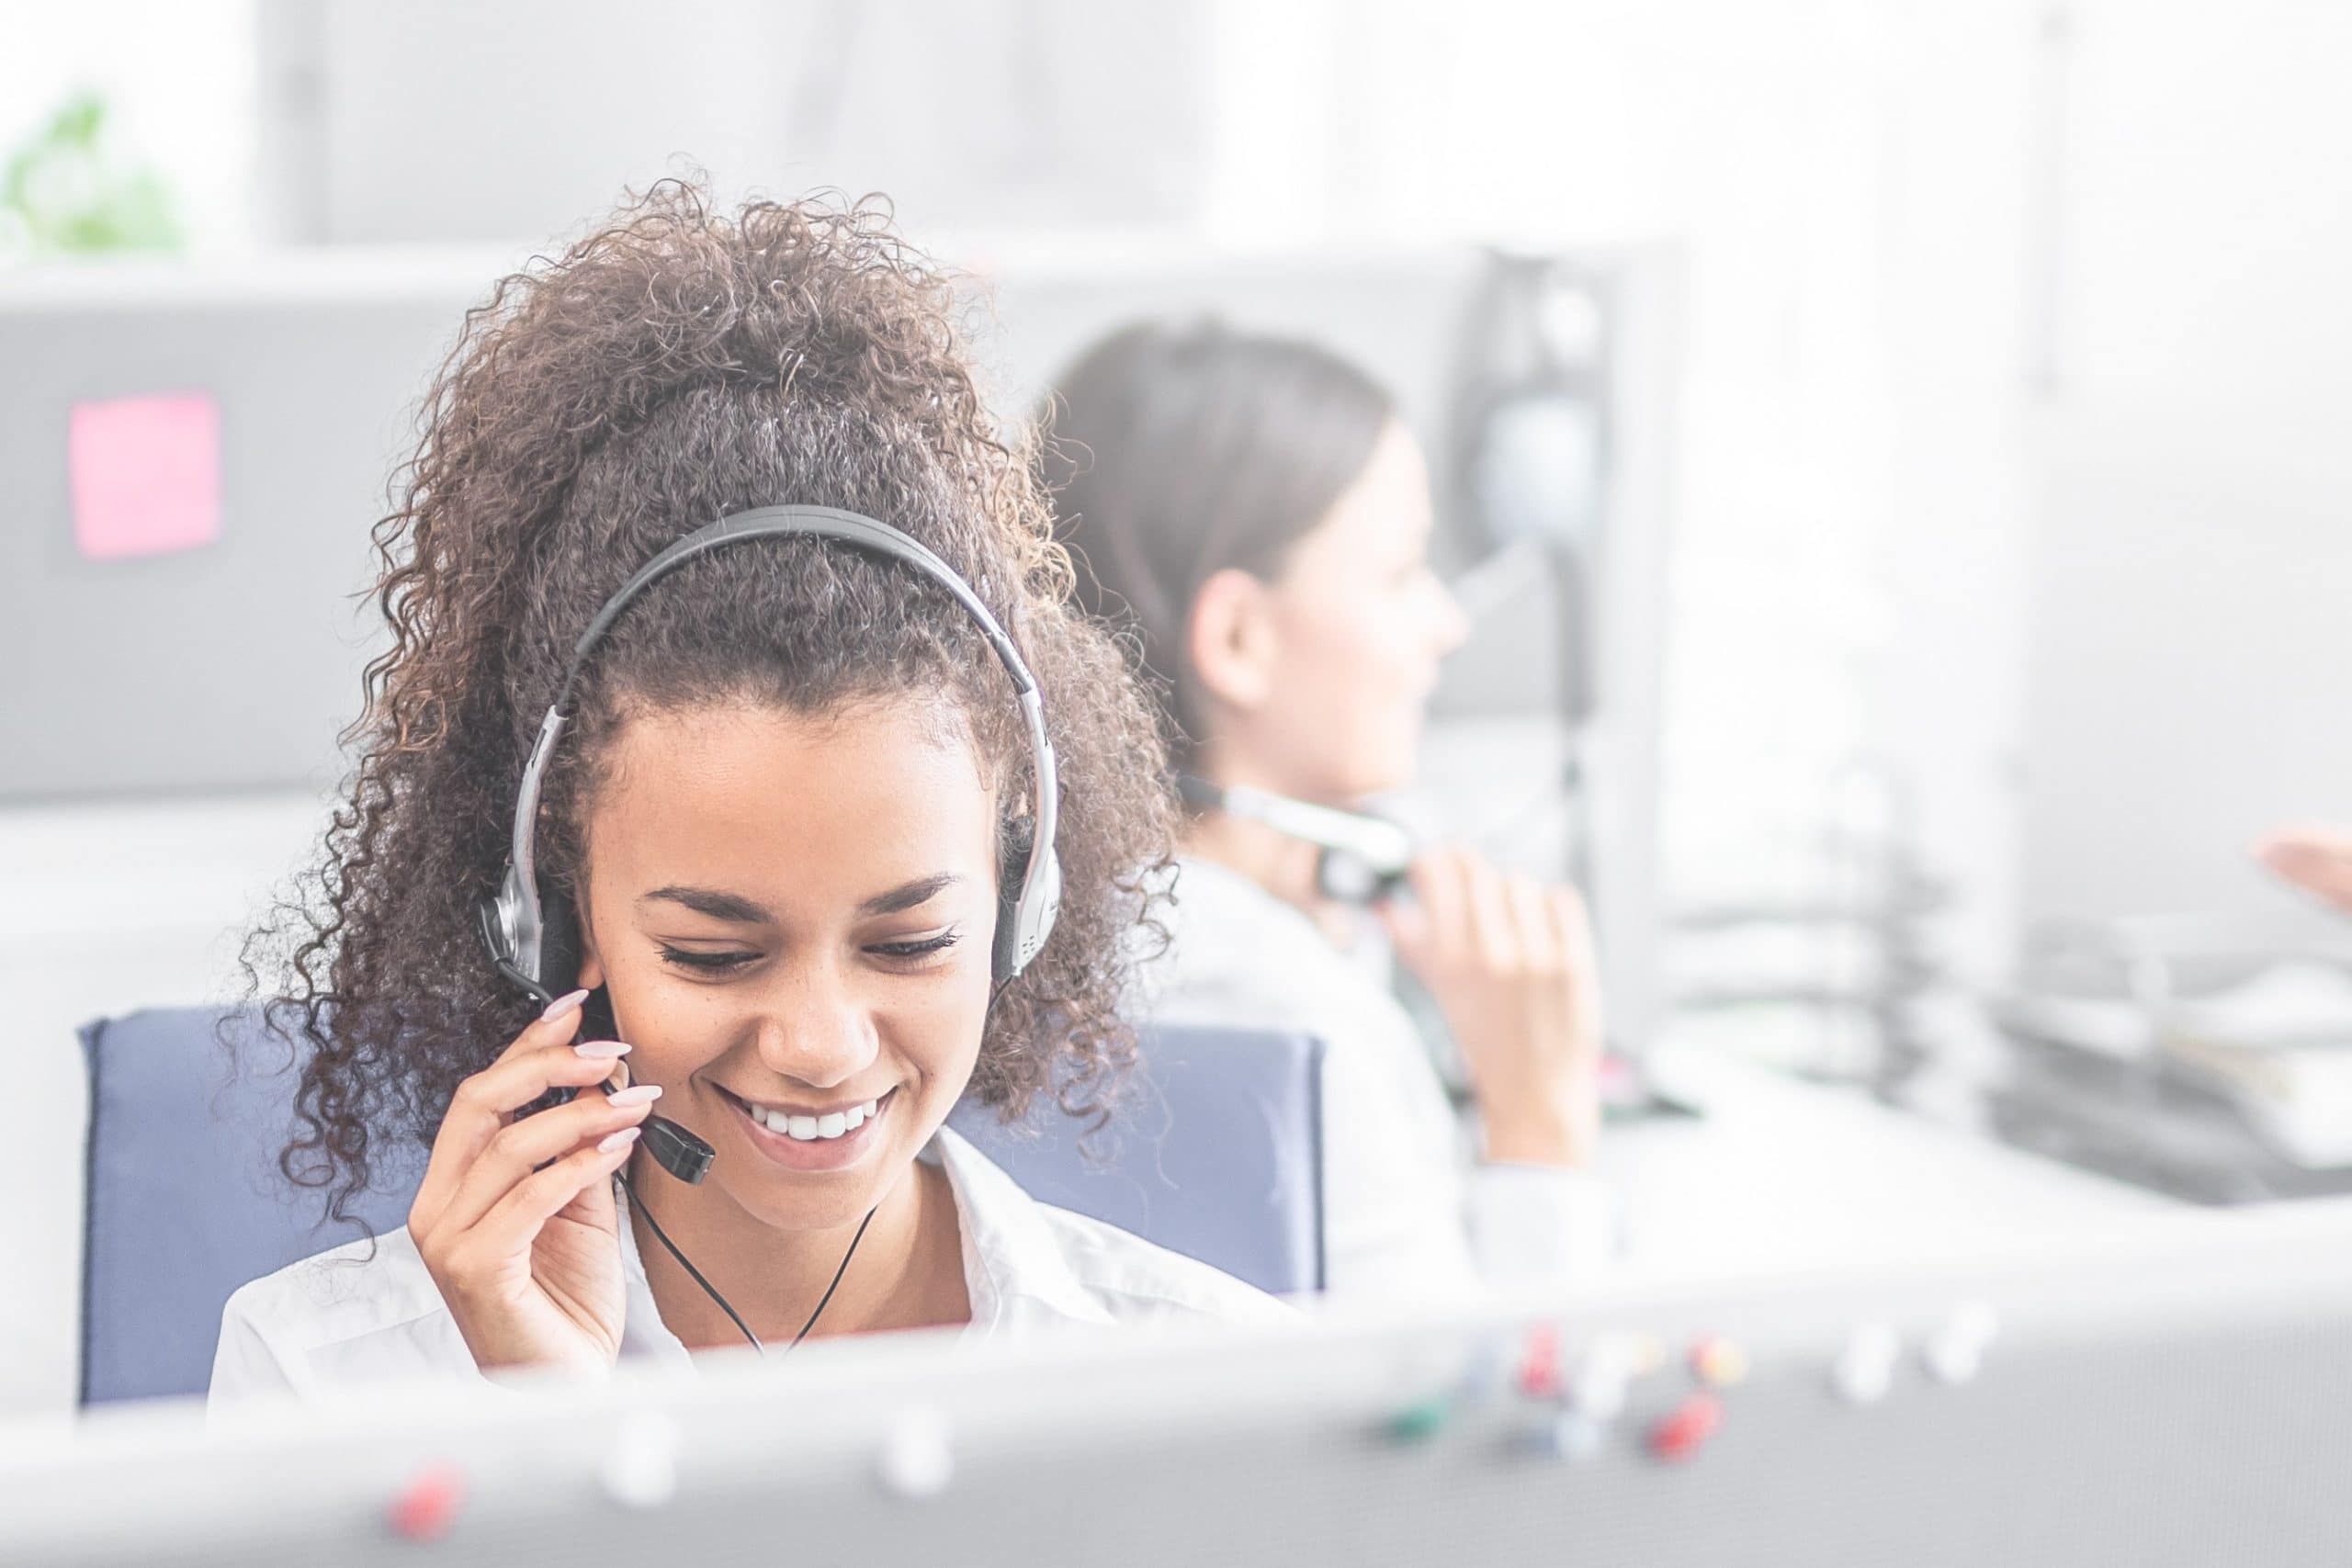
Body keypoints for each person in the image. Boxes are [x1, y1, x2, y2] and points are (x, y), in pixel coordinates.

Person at [212, 190, 1281, 1405]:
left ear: (1020, 899)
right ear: (557, 923)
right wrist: (547, 1434)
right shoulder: (323, 1382)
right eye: (716, 952)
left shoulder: (1196, 1380)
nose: (821, 1043)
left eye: (911, 938)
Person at [1041, 321, 1611, 1297]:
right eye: (1400, 574)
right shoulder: (1281, 1009)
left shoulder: (1070, 916)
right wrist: (1537, 1123)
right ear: (1238, 638)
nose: (1447, 622)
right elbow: (1471, 1413)